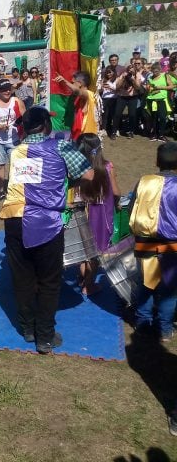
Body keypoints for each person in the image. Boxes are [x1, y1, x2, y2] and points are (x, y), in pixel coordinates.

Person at [0, 106, 93, 354]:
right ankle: (45, 337)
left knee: (22, 278)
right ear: (45, 126)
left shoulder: (16, 152)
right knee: (50, 281)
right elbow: (89, 174)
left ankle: (27, 328)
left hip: (14, 217)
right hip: (45, 222)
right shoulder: (61, 147)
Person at [130, 141, 177, 343]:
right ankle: (165, 329)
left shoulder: (144, 181)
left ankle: (142, 323)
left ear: (156, 161)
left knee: (145, 284)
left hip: (145, 242)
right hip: (173, 246)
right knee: (170, 287)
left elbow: (132, 206)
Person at [73, 134, 120, 295]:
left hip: (80, 212)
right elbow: (115, 191)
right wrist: (118, 202)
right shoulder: (107, 167)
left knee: (83, 248)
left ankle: (82, 277)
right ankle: (89, 284)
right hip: (100, 215)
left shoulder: (76, 168)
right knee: (96, 252)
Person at [0, 79, 25, 201]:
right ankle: (0, 192)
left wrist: (20, 123)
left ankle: (15, 190)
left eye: (8, 89)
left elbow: (25, 117)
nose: (7, 91)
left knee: (15, 166)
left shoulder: (16, 101)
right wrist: (0, 126)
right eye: (3, 90)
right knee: (0, 166)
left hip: (14, 139)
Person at [54, 71, 99, 140]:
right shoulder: (78, 97)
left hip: (85, 139)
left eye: (72, 83)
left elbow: (78, 91)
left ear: (80, 84)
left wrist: (65, 81)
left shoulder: (89, 94)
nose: (71, 85)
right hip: (77, 135)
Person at [144, 61, 177, 142]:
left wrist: (160, 87)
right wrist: (148, 89)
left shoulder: (165, 75)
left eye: (157, 71)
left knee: (162, 117)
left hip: (162, 100)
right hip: (152, 100)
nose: (155, 73)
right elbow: (148, 89)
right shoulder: (150, 78)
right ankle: (155, 134)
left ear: (160, 70)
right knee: (154, 118)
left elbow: (171, 87)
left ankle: (161, 135)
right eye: (153, 71)